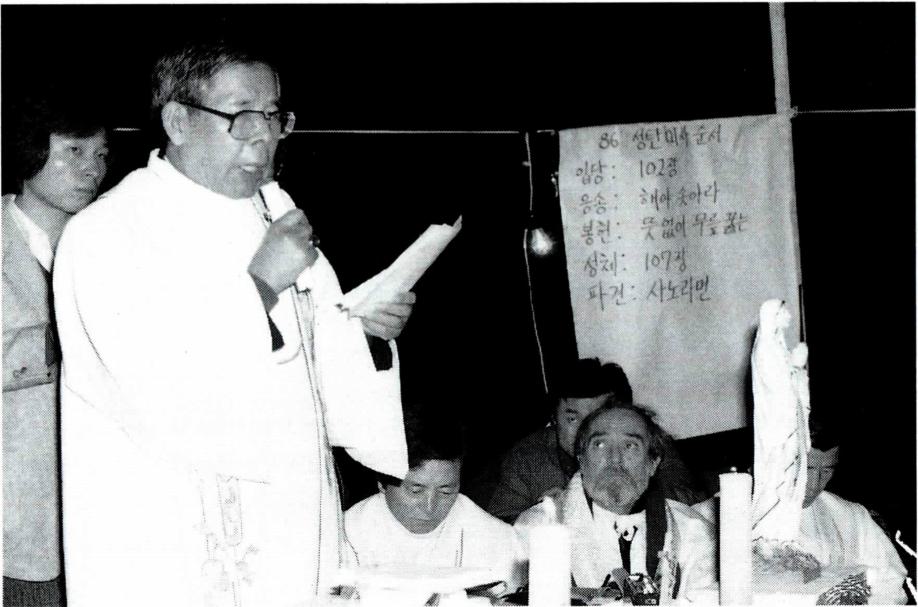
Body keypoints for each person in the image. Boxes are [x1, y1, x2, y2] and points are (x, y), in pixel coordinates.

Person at [54, 42, 414, 606]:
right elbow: (152, 384)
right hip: (172, 538)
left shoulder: (275, 212)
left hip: (295, 522)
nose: (263, 135)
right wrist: (261, 284)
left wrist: (367, 332)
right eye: (243, 115)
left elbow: (317, 371)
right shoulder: (110, 231)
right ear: (177, 121)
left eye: (273, 116)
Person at [3, 93, 109, 607]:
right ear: (30, 150)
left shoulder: (109, 245)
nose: (93, 170)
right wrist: (74, 334)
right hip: (17, 527)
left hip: (100, 516)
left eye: (101, 155)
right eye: (74, 151)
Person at [515, 400, 716, 601]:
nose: (614, 458)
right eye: (600, 444)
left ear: (653, 463)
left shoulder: (692, 531)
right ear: (581, 460)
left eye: (630, 445)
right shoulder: (537, 527)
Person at [693, 419, 908, 604]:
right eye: (807, 470)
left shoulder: (851, 517)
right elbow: (698, 593)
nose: (815, 484)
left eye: (827, 470)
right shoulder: (707, 519)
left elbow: (889, 583)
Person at [488, 359, 704, 523]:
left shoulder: (644, 443)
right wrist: (540, 513)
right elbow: (500, 530)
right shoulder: (529, 457)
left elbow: (690, 504)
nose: (584, 430)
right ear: (554, 419)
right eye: (572, 419)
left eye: (595, 417)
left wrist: (628, 493)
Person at [344, 416, 524, 595]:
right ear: (382, 483)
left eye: (446, 492)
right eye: (415, 491)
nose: (430, 508)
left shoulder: (488, 534)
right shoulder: (347, 534)